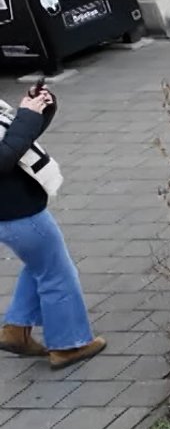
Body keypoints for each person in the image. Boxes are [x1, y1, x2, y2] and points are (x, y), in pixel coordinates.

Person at [0, 85, 104, 368]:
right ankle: (68, 345)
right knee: (57, 272)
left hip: (15, 210)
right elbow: (5, 156)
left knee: (41, 263)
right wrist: (27, 116)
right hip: (17, 212)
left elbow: (16, 138)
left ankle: (16, 329)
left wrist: (38, 108)